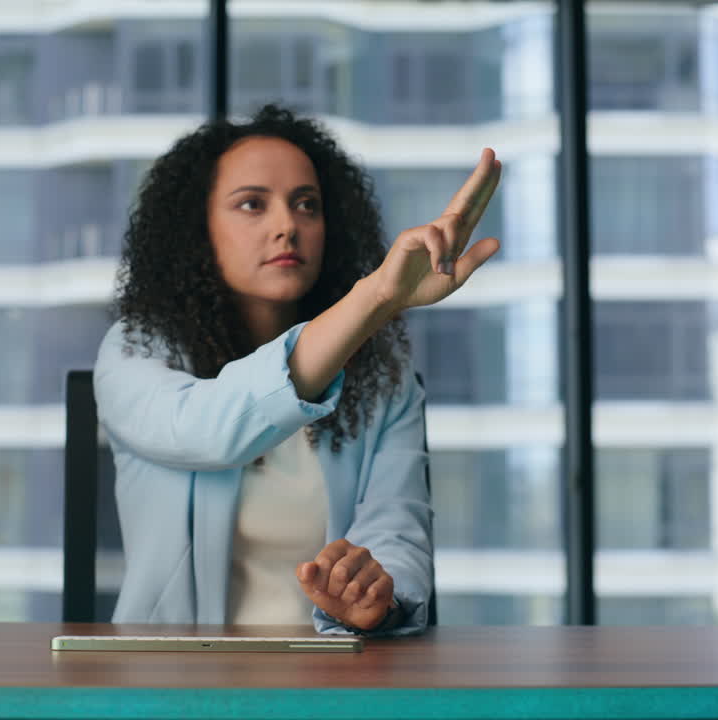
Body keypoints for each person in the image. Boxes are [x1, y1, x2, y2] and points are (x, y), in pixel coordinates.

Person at [93, 104, 501, 635]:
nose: (288, 226)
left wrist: (376, 593)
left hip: (341, 687)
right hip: (178, 689)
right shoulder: (136, 349)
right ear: (197, 230)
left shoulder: (382, 374)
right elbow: (208, 431)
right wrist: (377, 296)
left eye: (307, 204)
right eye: (252, 205)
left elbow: (398, 531)